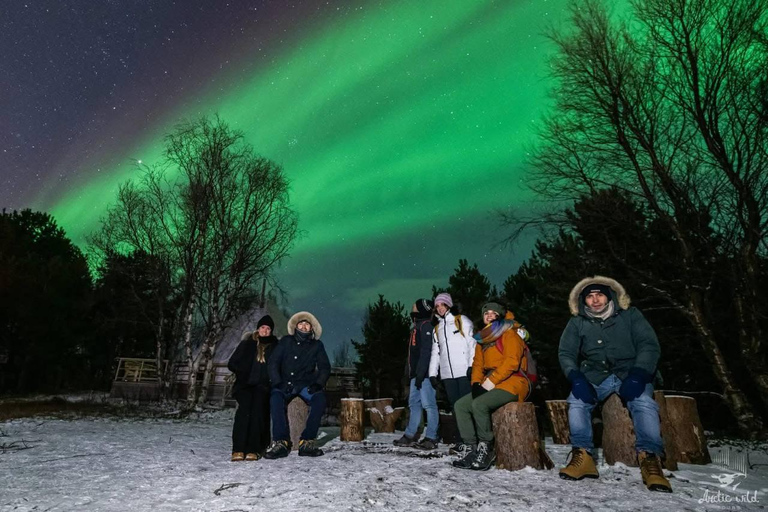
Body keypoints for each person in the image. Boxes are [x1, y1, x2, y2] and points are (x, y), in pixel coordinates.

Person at [558, 276, 672, 493]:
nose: (595, 300)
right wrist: (576, 377)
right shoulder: (577, 321)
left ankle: (650, 460)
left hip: (629, 372)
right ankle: (583, 456)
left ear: (609, 296)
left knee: (644, 402)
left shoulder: (630, 315)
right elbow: (566, 352)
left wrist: (639, 373)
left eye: (600, 294)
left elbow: (648, 345)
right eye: (590, 296)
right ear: (583, 301)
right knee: (576, 402)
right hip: (594, 374)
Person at [452, 302, 532, 470]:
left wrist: (487, 384)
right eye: (486, 312)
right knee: (461, 405)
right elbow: (477, 365)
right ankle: (471, 448)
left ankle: (486, 448)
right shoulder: (483, 339)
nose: (488, 315)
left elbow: (511, 362)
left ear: (500, 316)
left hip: (514, 382)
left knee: (479, 404)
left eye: (493, 312)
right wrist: (475, 384)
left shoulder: (509, 334)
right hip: (493, 383)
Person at [265, 311, 331, 459]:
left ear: (311, 329)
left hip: (305, 385)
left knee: (320, 400)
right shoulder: (286, 341)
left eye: (307, 324)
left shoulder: (317, 345)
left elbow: (325, 367)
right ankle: (281, 443)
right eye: (301, 323)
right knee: (275, 399)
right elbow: (273, 362)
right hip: (285, 384)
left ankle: (306, 442)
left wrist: (318, 384)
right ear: (296, 326)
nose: (303, 326)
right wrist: (277, 382)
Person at [428, 292, 475, 452]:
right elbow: (436, 352)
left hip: (464, 372)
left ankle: (474, 441)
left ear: (449, 305)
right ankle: (461, 440)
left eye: (443, 305)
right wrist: (432, 373)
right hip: (448, 375)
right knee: (456, 408)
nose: (440, 308)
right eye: (437, 306)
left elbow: (472, 344)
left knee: (468, 407)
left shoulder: (461, 321)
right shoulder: (437, 327)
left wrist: (471, 366)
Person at [227, 314, 278, 461]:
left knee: (258, 415)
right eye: (262, 327)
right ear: (258, 329)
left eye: (268, 328)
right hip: (245, 386)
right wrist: (242, 373)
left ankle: (254, 449)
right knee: (244, 414)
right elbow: (232, 363)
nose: (265, 330)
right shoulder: (247, 343)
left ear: (271, 331)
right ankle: (238, 448)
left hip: (262, 387)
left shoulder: (275, 346)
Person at [393, 298, 440, 450]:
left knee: (429, 405)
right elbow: (412, 355)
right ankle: (409, 435)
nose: (412, 309)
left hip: (424, 375)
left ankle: (431, 437)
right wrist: (410, 374)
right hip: (416, 375)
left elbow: (426, 353)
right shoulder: (416, 327)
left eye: (415, 307)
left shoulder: (426, 326)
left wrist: (420, 375)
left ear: (421, 310)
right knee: (414, 404)